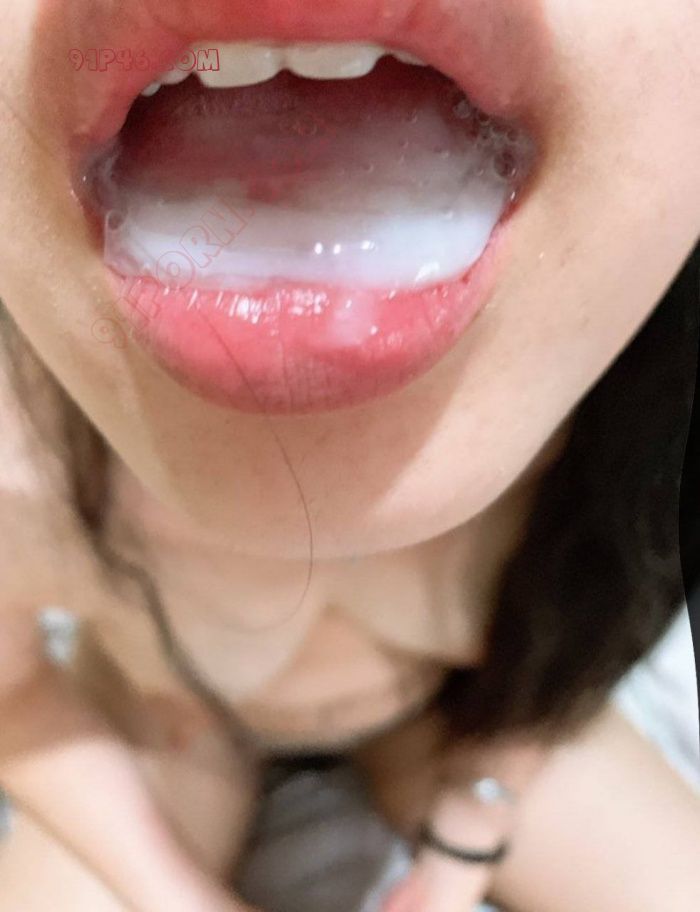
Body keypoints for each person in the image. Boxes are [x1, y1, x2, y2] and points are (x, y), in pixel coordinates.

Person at [1, 1, 699, 910]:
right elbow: (13, 697)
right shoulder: (21, 475)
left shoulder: (623, 427)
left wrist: (468, 832)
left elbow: (574, 649)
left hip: (452, 724)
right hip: (171, 737)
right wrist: (175, 894)